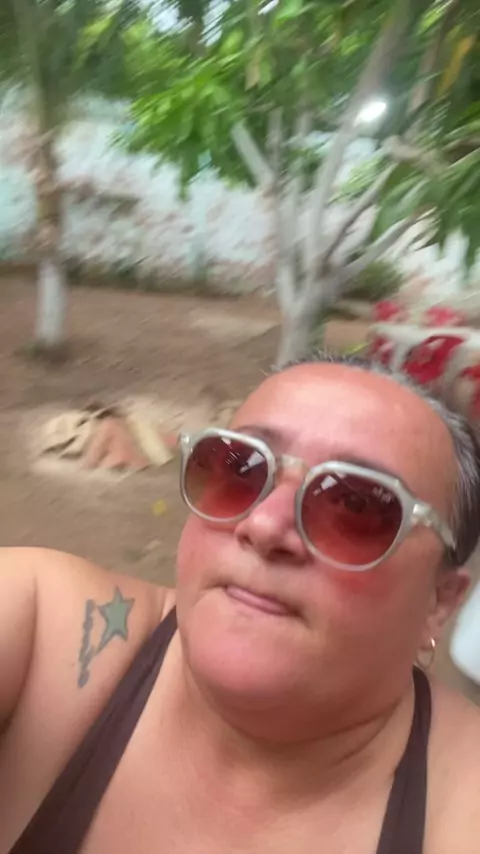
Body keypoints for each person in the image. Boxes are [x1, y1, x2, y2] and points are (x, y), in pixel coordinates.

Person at [1, 354, 480, 854]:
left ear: (439, 601)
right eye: (240, 469)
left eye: (356, 504)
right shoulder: (43, 631)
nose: (264, 525)